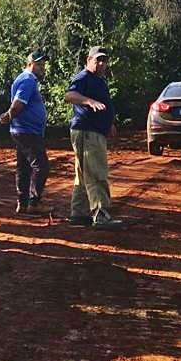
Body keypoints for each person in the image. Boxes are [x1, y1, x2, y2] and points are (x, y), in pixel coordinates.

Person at [65, 46, 122, 230]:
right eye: (98, 60)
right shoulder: (83, 77)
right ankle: (101, 214)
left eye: (104, 60)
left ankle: (78, 213)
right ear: (88, 60)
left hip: (91, 131)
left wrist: (109, 122)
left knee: (83, 174)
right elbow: (70, 95)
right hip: (88, 131)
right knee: (97, 173)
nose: (101, 63)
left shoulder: (98, 80)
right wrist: (89, 101)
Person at [0, 49, 50, 215]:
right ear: (29, 64)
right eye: (39, 64)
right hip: (27, 131)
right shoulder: (28, 80)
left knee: (24, 167)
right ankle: (34, 203)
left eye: (43, 64)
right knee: (41, 166)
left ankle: (22, 204)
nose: (42, 68)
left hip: (22, 130)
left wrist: (9, 116)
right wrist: (9, 115)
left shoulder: (25, 79)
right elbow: (18, 103)